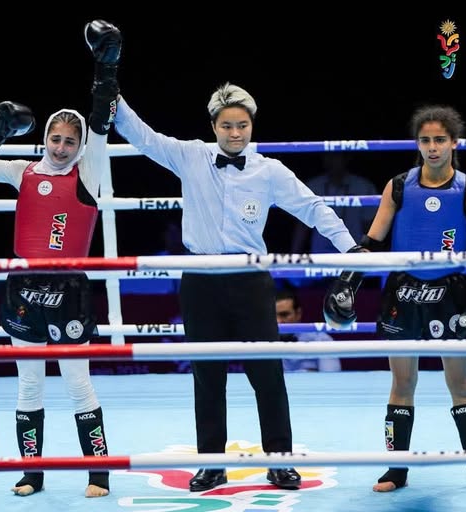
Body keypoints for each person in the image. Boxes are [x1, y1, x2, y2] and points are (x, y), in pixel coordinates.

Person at [96, 19, 358, 491]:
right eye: (227, 125)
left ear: (251, 126)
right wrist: (108, 79)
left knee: (268, 375)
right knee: (207, 376)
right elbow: (141, 135)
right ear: (213, 126)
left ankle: (280, 460)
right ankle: (211, 463)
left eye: (242, 125)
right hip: (199, 279)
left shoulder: (269, 170)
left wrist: (352, 250)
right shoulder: (190, 155)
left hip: (250, 280)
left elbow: (313, 208)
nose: (235, 133)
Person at [0, 19, 122, 498]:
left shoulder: (88, 172)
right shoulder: (21, 171)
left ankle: (99, 474)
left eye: (70, 141)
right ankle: (32, 473)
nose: (62, 147)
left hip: (69, 290)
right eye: (56, 139)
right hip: (23, 288)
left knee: (77, 384)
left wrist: (106, 66)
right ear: (45, 138)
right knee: (28, 386)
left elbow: (101, 120)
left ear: (79, 145)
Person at [322, 105, 466, 492]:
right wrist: (347, 281)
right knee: (402, 383)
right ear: (417, 144)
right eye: (425, 140)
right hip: (404, 292)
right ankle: (396, 469)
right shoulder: (398, 187)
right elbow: (372, 242)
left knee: (461, 383)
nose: (433, 147)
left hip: (451, 293)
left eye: (440, 140)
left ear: (454, 143)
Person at [291, 153, 378, 254]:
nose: (331, 160)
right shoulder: (313, 186)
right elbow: (302, 227)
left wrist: (369, 255)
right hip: (320, 252)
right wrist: (294, 255)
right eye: (328, 156)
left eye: (336, 156)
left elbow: (369, 227)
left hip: (353, 250)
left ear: (346, 158)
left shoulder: (363, 187)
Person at [276, 283, 341, 372]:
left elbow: (331, 377)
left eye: (284, 314)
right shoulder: (262, 343)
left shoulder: (321, 340)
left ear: (298, 313)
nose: (278, 321)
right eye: (273, 315)